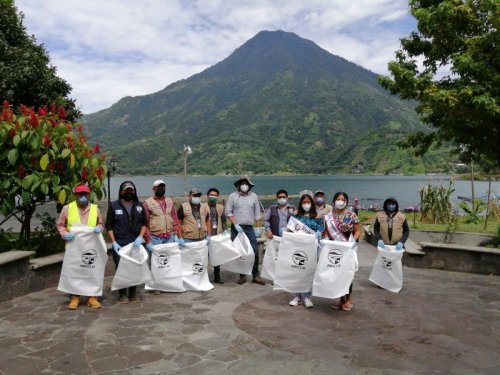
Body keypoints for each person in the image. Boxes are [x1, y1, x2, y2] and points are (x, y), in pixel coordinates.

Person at [56, 184, 105, 310]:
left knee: (91, 269)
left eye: (85, 194)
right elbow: (60, 225)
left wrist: (99, 228)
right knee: (73, 271)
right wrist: (64, 234)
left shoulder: (95, 209)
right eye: (80, 194)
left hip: (90, 246)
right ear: (75, 195)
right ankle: (74, 297)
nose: (83, 196)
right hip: (73, 246)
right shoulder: (67, 208)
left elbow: (101, 224)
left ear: (89, 195)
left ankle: (92, 297)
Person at [105, 181, 149, 304]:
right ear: (121, 191)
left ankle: (133, 293)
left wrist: (140, 237)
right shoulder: (114, 206)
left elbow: (144, 223)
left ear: (134, 191)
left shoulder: (139, 206)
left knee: (134, 268)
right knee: (121, 268)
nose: (129, 192)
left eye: (131, 190)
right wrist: (113, 242)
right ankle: (122, 294)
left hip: (135, 243)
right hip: (120, 243)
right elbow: (109, 226)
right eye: (126, 190)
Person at [143, 179, 182, 294]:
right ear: (153, 189)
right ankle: (155, 286)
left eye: (163, 187)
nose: (161, 189)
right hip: (155, 236)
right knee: (156, 263)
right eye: (158, 187)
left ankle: (167, 283)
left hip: (169, 236)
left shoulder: (170, 201)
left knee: (168, 261)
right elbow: (145, 222)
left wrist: (176, 234)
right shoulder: (147, 203)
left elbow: (174, 218)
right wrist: (148, 240)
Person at [323, 191, 361, 311]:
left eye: (342, 199)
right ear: (334, 201)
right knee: (336, 274)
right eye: (338, 199)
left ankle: (348, 299)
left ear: (346, 201)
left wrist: (353, 241)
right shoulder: (329, 216)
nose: (340, 201)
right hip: (334, 249)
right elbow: (327, 231)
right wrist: (325, 238)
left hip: (348, 247)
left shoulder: (352, 215)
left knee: (347, 273)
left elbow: (358, 231)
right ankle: (340, 299)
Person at [226, 176, 266, 285]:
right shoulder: (233, 196)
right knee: (240, 253)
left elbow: (257, 214)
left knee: (254, 252)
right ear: (239, 185)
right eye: (242, 183)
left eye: (246, 183)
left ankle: (255, 275)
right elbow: (228, 213)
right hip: (236, 228)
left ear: (249, 185)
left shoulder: (254, 196)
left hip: (249, 228)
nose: (244, 185)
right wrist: (236, 224)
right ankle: (242, 275)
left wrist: (257, 227)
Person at [288, 191, 324, 308]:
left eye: (308, 202)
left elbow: (321, 229)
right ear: (301, 203)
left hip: (312, 248)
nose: (306, 204)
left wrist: (319, 233)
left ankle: (307, 296)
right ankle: (297, 296)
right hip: (298, 247)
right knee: (297, 270)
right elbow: (291, 229)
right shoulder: (296, 214)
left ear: (312, 203)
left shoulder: (317, 215)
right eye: (304, 202)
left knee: (309, 272)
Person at [204, 187, 228, 283]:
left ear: (218, 197)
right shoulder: (203, 206)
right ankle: (204, 277)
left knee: (217, 257)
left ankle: (217, 276)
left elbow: (224, 221)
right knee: (205, 257)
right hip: (205, 236)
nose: (213, 197)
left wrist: (225, 230)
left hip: (217, 235)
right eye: (211, 195)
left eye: (215, 195)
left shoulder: (220, 207)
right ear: (207, 196)